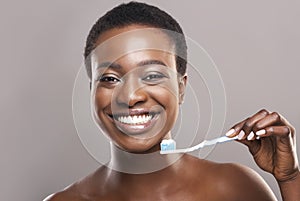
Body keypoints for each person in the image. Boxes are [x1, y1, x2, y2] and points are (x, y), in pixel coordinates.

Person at [45, 2, 300, 200]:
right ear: (92, 91)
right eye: (110, 79)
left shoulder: (234, 188)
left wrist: (290, 179)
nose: (132, 96)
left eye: (152, 75)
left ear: (181, 87)